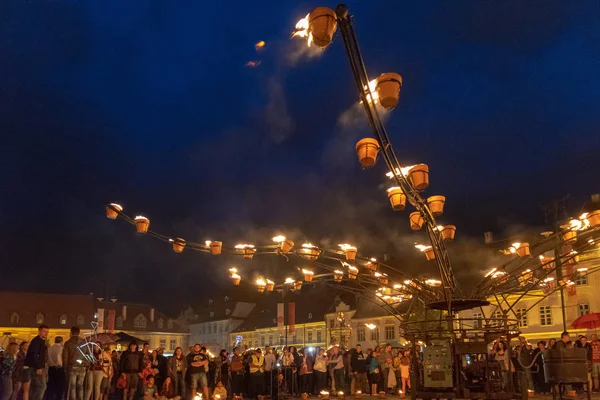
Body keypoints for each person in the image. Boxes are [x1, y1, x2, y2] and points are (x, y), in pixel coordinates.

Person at [24, 325, 49, 400]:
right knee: (41, 386)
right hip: (36, 367)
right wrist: (38, 367)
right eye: (44, 331)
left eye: (47, 332)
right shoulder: (37, 341)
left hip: (36, 366)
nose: (46, 333)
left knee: (35, 386)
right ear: (39, 331)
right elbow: (34, 355)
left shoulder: (40, 341)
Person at [63, 327, 87, 400]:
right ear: (79, 333)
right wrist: (86, 364)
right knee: (80, 386)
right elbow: (88, 355)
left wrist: (65, 367)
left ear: (71, 332)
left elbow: (65, 357)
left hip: (72, 366)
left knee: (72, 386)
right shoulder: (84, 342)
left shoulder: (68, 343)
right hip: (82, 367)